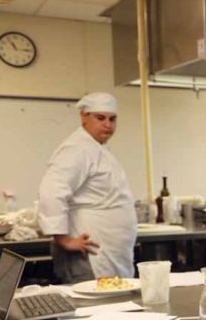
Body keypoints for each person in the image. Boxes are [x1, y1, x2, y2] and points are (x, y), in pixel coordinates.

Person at [38, 92, 136, 283]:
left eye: (112, 119)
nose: (108, 124)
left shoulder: (98, 148)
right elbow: (51, 191)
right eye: (100, 118)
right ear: (84, 116)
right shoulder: (78, 148)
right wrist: (64, 240)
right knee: (91, 308)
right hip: (90, 255)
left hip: (108, 251)